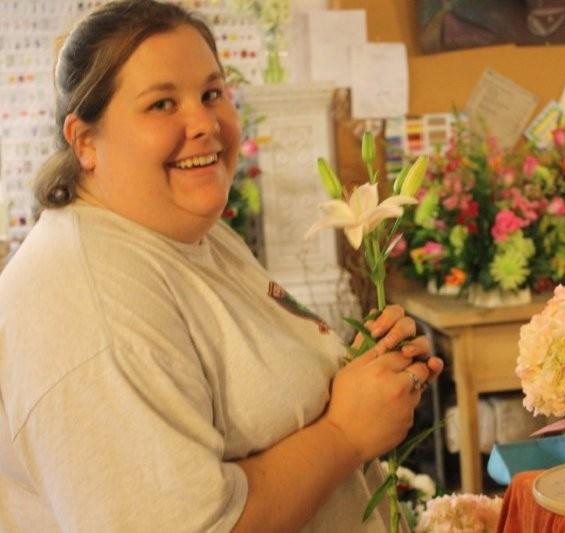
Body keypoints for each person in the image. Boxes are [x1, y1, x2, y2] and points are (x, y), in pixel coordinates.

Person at [0, 1, 443, 531]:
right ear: (85, 141)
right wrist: (346, 434)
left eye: (211, 93)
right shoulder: (87, 304)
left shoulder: (188, 231)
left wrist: (361, 373)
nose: (205, 124)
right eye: (162, 104)